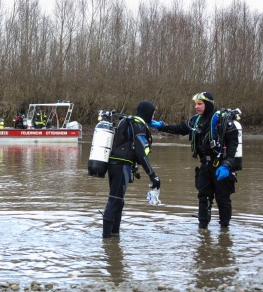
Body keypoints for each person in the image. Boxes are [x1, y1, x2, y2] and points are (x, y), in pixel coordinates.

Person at [150, 92, 239, 229]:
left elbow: (233, 144)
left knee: (223, 199)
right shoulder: (196, 120)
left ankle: (224, 231)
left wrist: (227, 165)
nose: (196, 107)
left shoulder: (223, 121)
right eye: (195, 104)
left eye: (200, 104)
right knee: (203, 197)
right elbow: (179, 129)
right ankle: (203, 229)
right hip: (205, 165)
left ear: (208, 104)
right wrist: (160, 126)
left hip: (221, 165)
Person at [102, 100, 160, 238]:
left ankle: (114, 238)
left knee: (119, 201)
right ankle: (106, 240)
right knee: (115, 199)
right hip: (122, 166)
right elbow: (140, 152)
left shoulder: (127, 121)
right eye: (153, 113)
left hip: (115, 165)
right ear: (148, 112)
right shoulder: (138, 125)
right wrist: (153, 175)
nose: (153, 116)